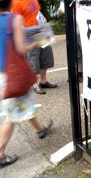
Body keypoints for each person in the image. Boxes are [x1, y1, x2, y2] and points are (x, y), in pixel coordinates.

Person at [0, 0, 53, 168]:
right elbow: (22, 49)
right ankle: (0, 154)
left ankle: (40, 129)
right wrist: (37, 42)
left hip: (2, 72)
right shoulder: (14, 19)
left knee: (25, 102)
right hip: (12, 75)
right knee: (11, 116)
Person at [11, 0, 58, 94]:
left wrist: (43, 17)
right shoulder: (16, 2)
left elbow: (37, 10)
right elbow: (15, 20)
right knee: (33, 59)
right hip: (30, 33)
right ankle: (34, 84)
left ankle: (43, 81)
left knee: (45, 55)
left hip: (40, 30)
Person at [58, 0, 83, 82]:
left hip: (83, 28)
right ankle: (76, 74)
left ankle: (81, 73)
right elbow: (61, 9)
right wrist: (67, 9)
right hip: (73, 29)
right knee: (75, 53)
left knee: (83, 52)